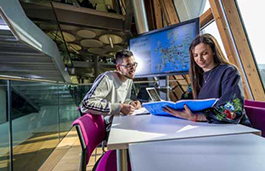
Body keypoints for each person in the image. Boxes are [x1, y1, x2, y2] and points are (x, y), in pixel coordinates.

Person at [163, 33, 251, 126]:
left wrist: (198, 117)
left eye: (204, 53)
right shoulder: (198, 76)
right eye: (195, 55)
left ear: (213, 51)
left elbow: (233, 110)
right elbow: (183, 101)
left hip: (236, 129)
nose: (199, 59)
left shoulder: (229, 71)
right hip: (208, 127)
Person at [80, 49, 141, 125]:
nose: (134, 68)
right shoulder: (107, 78)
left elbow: (123, 101)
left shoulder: (128, 80)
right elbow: (86, 104)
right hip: (107, 126)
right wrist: (120, 107)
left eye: (134, 64)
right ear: (118, 68)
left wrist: (131, 103)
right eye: (129, 65)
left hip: (119, 121)